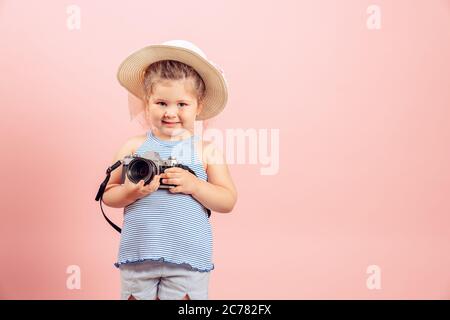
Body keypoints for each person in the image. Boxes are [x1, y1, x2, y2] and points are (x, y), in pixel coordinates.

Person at [102, 40, 237, 300]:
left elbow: (228, 200)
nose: (170, 112)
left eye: (182, 104)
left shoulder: (205, 151)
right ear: (146, 102)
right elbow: (108, 194)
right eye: (161, 103)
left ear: (199, 106)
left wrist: (195, 185)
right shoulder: (133, 146)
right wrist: (130, 193)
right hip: (139, 254)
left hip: (188, 257)